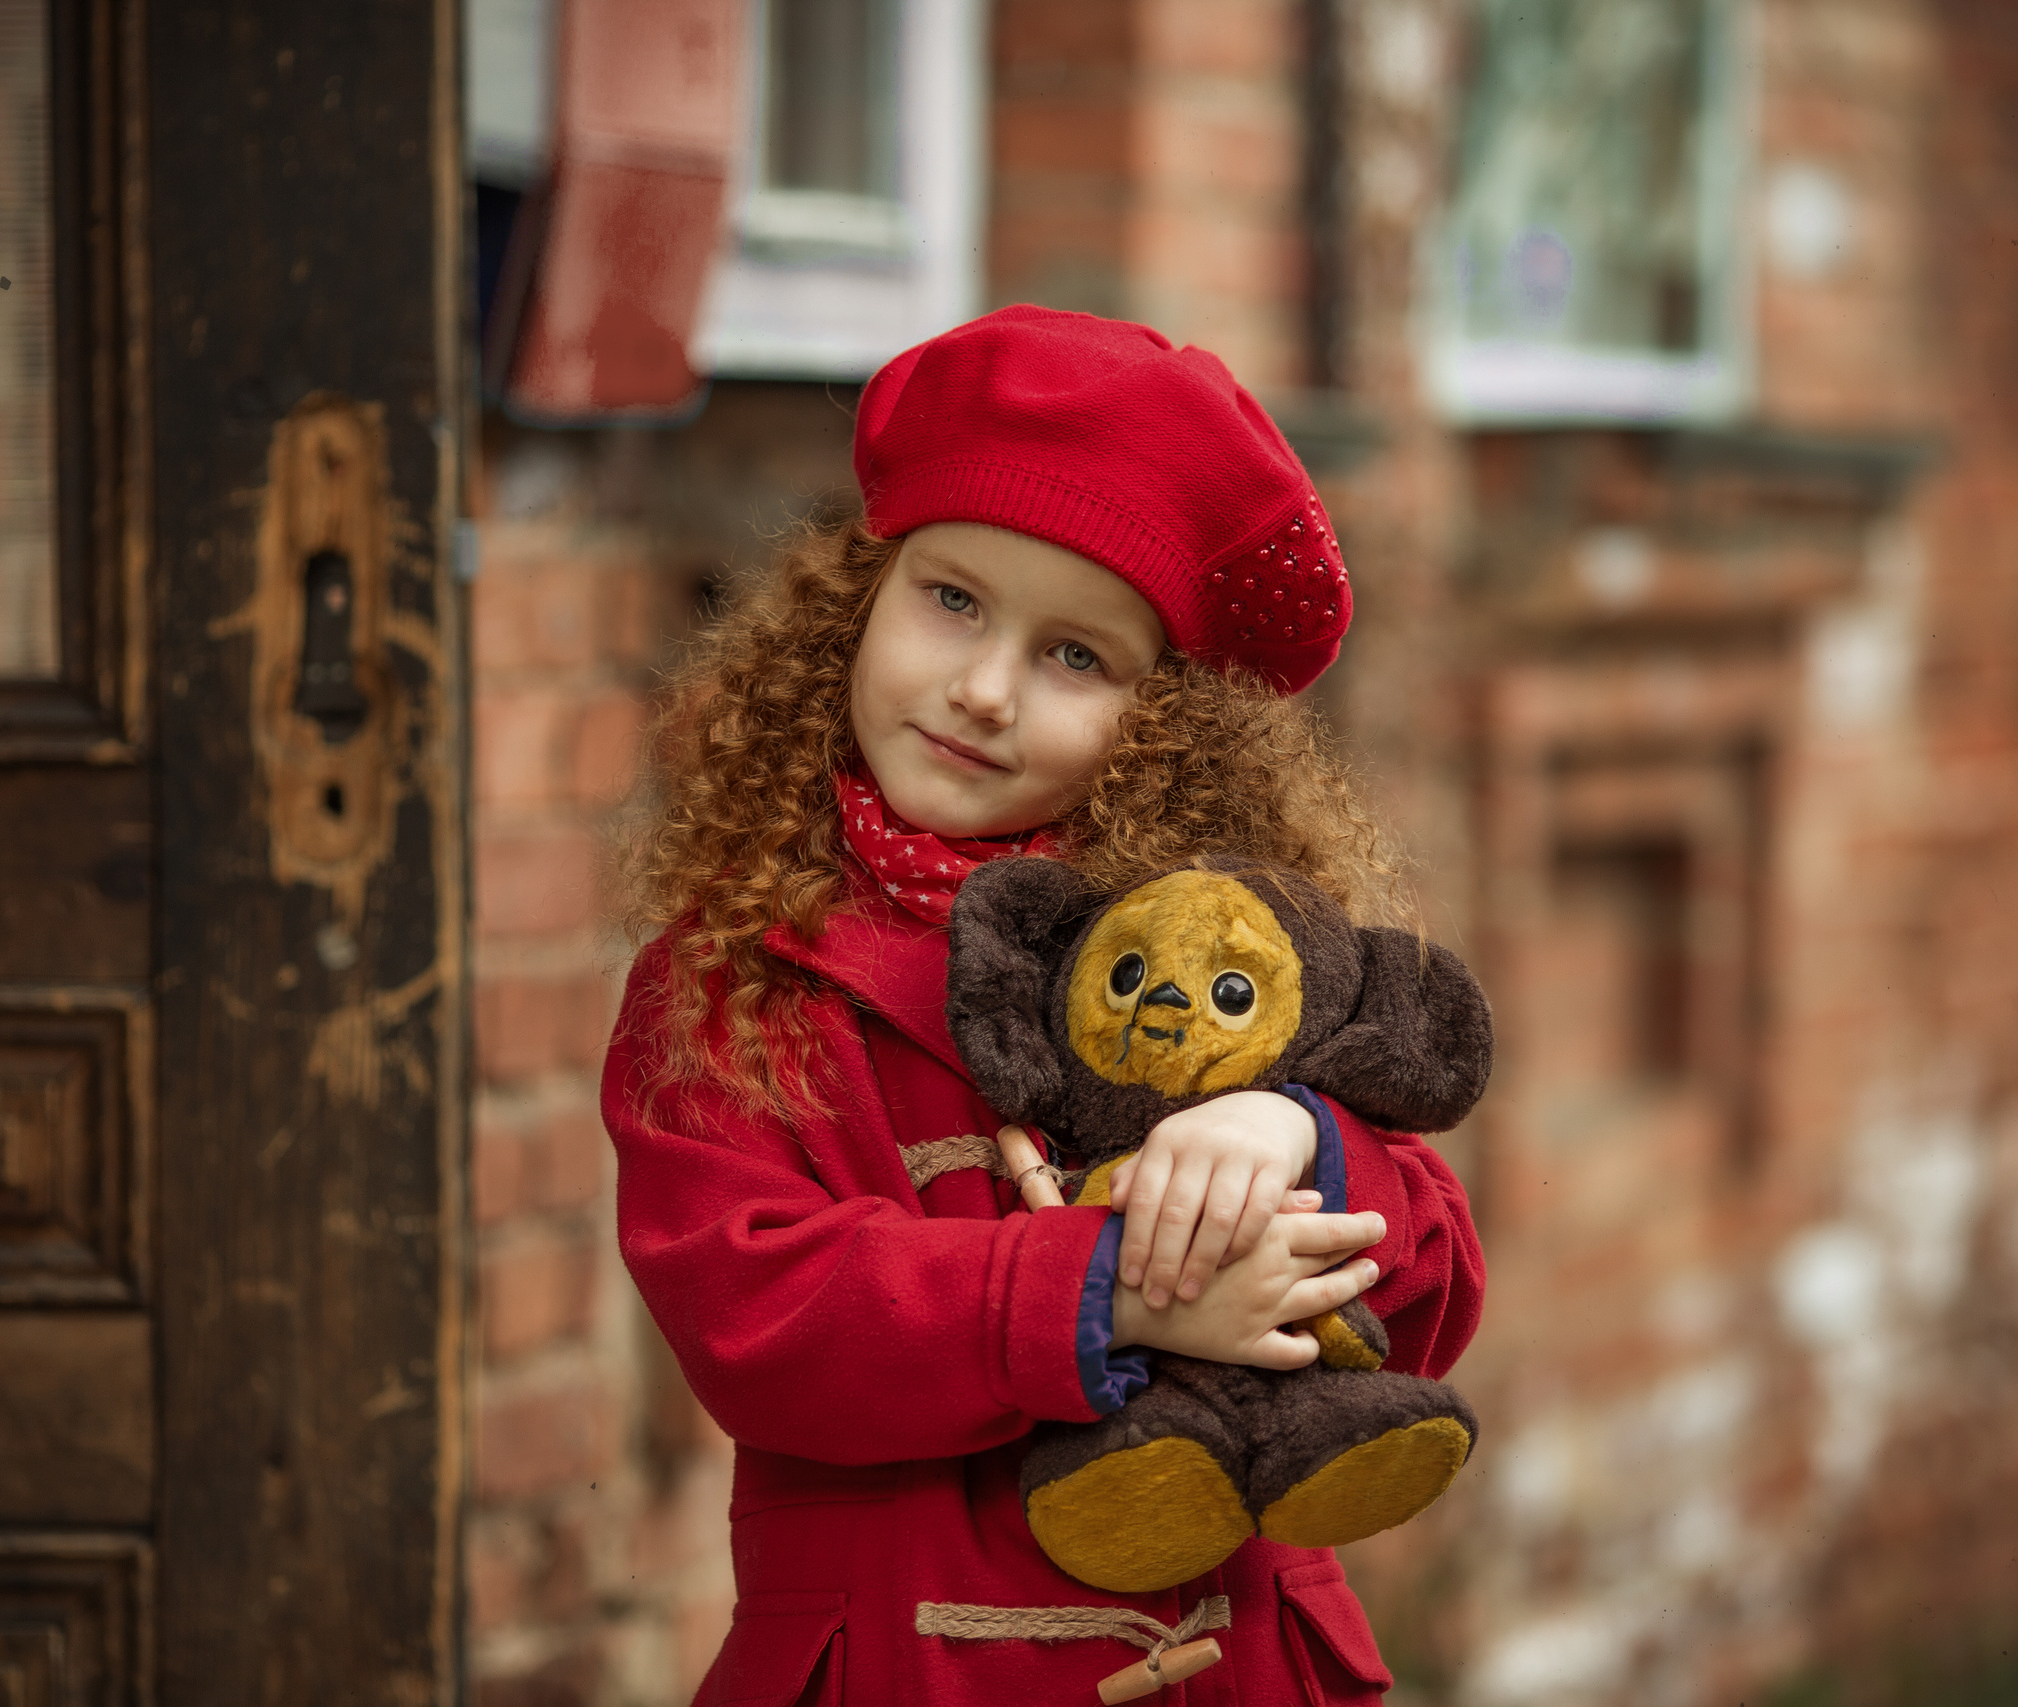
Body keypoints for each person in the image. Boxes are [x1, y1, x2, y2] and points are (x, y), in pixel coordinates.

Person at [602, 306, 1485, 1706]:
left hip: (1230, 1668)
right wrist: (1110, 1290)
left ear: (1167, 724)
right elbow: (761, 1318)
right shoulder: (734, 977)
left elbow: (1430, 1289)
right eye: (951, 599)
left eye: (1077, 657)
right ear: (858, 601)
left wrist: (1298, 1135)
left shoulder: (1227, 951)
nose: (984, 689)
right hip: (902, 1668)